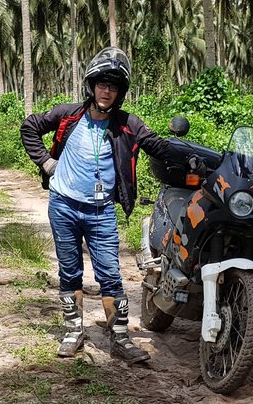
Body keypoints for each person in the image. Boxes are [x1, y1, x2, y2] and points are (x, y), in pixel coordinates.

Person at [20, 47, 181, 363]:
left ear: (120, 92)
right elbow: (30, 128)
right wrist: (45, 162)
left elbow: (158, 147)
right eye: (102, 84)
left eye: (114, 86)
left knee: (110, 274)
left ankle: (120, 337)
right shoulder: (69, 115)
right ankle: (73, 331)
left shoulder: (128, 124)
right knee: (69, 270)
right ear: (91, 86)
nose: (107, 91)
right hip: (63, 206)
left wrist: (196, 161)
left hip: (101, 210)